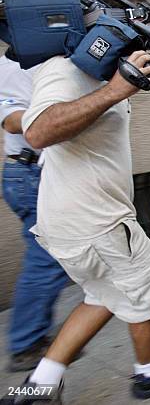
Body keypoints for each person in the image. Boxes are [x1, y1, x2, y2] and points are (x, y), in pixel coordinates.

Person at [2, 0, 150, 404]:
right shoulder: (63, 69)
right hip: (99, 224)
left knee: (103, 295)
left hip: (78, 223)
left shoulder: (93, 65)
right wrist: (115, 90)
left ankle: (36, 388)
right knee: (145, 293)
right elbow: (37, 130)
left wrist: (121, 81)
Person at [0, 56, 70, 373]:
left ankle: (33, 336)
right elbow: (11, 119)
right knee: (46, 259)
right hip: (29, 174)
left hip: (31, 172)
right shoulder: (13, 65)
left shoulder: (41, 61)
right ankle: (26, 344)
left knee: (48, 257)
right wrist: (55, 118)